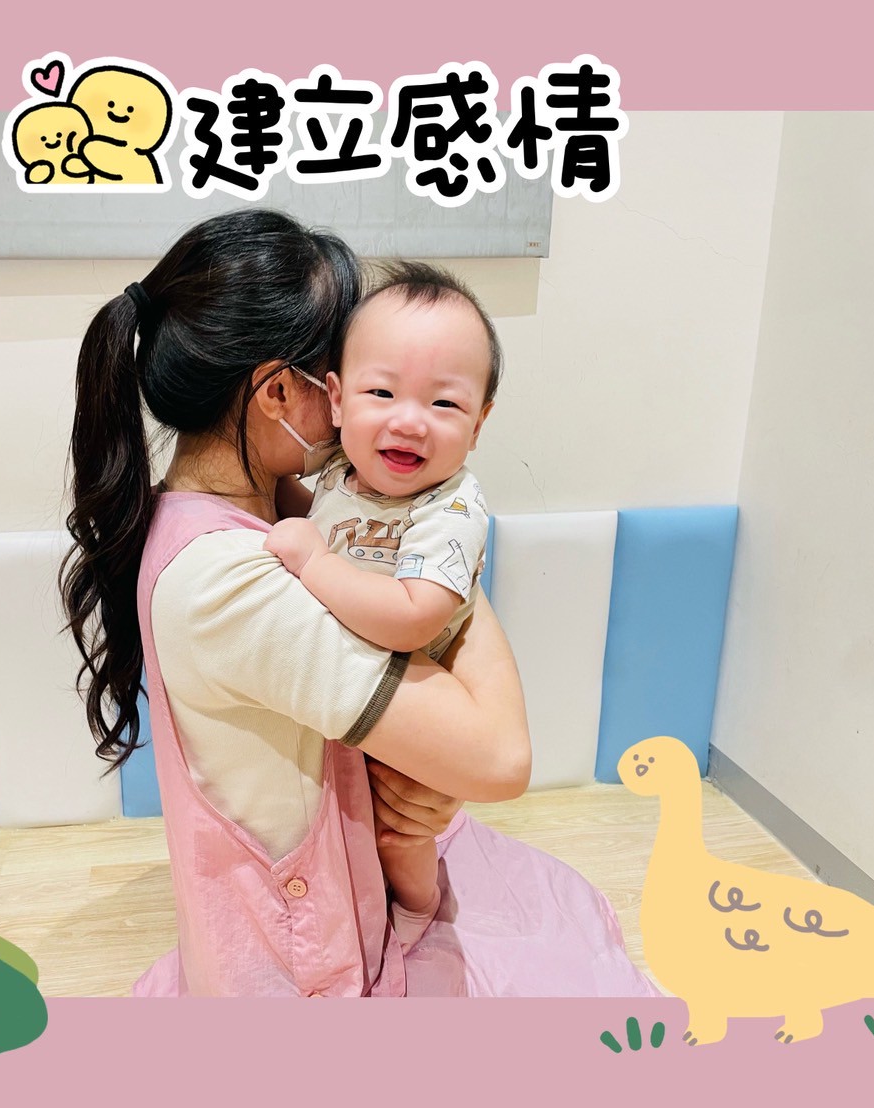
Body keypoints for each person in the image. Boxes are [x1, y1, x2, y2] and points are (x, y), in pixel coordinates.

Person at [61, 207, 658, 997]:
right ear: (282, 390)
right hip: (311, 967)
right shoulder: (229, 582)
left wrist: (437, 567)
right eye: (352, 374)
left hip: (353, 885)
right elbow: (500, 756)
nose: (385, 418)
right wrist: (447, 571)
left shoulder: (264, 504)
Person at [262, 262, 501, 952]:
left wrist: (314, 563)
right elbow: (330, 521)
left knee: (399, 830)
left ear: (479, 424)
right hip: (350, 697)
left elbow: (413, 614)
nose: (408, 421)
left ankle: (421, 908)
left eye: (444, 404)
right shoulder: (345, 469)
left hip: (409, 706)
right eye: (382, 392)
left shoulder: (450, 508)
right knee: (342, 827)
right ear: (336, 399)